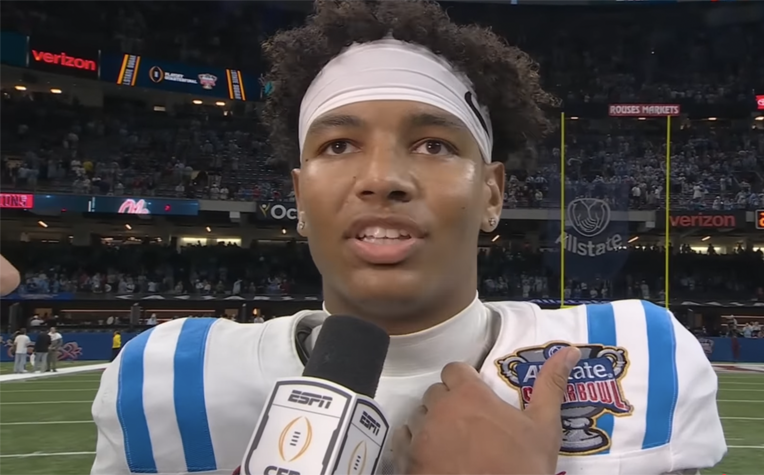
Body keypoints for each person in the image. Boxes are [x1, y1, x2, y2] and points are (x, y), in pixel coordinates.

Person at [89, 1, 725, 475]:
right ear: (299, 197)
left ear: (492, 194)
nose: (383, 179)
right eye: (339, 145)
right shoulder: (169, 379)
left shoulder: (639, 353)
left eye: (434, 145)